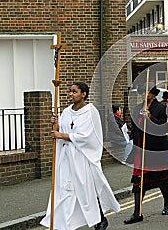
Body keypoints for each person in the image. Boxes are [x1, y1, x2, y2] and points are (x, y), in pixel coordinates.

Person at [40, 82, 120, 230]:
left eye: (74, 91)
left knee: (85, 189)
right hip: (66, 158)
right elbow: (59, 131)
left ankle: (100, 218)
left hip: (82, 157)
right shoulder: (66, 112)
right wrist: (56, 123)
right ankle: (64, 223)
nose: (71, 94)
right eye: (70, 91)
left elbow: (87, 136)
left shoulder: (91, 112)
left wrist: (62, 134)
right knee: (66, 189)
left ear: (83, 94)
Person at [124, 84, 168, 224]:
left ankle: (167, 203)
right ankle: (137, 213)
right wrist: (131, 132)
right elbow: (135, 126)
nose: (142, 95)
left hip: (156, 149)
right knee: (139, 182)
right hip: (141, 149)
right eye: (141, 92)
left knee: (161, 179)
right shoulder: (137, 108)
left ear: (152, 94)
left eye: (145, 92)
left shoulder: (161, 108)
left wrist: (150, 118)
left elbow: (163, 127)